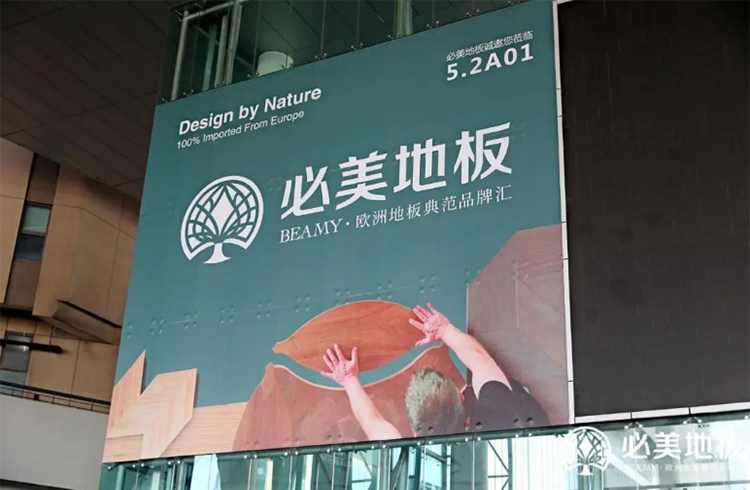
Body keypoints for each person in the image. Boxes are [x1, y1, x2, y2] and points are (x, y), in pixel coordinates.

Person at [320, 303, 549, 440]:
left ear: (415, 432)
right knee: (506, 389)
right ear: (461, 397)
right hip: (528, 421)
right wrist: (444, 330)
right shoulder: (497, 411)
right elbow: (479, 358)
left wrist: (348, 380)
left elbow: (372, 424)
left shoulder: (408, 457)